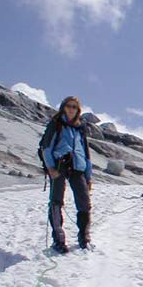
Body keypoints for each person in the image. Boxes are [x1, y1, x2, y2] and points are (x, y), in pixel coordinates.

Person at [40, 96, 93, 253]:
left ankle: (84, 237)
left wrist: (88, 176)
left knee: (84, 202)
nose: (71, 109)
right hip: (59, 165)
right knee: (56, 201)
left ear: (78, 110)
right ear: (63, 107)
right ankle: (59, 239)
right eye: (69, 106)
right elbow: (46, 148)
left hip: (78, 167)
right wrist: (50, 168)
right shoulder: (56, 124)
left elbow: (86, 153)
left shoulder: (80, 128)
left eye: (74, 107)